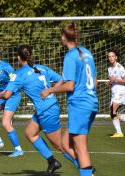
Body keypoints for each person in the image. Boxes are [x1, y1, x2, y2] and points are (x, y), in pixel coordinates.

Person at [0, 45, 64, 176]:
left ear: (18, 58)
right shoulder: (41, 68)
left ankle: (86, 168)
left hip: (47, 112)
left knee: (61, 146)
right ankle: (52, 162)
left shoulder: (19, 74)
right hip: (47, 108)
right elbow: (61, 79)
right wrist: (51, 91)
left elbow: (7, 94)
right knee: (30, 133)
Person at [41, 23, 97, 176]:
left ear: (63, 37)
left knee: (80, 148)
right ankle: (87, 172)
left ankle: (88, 173)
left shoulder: (70, 56)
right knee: (65, 144)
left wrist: (49, 90)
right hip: (91, 102)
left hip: (80, 104)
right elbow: (95, 80)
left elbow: (70, 86)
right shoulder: (87, 53)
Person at [106, 48, 125, 137]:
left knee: (113, 110)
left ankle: (120, 132)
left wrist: (115, 79)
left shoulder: (120, 67)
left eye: (112, 56)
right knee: (113, 114)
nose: (111, 58)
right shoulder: (109, 68)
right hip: (114, 92)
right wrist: (109, 82)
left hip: (120, 91)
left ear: (116, 57)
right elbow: (113, 80)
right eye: (109, 56)